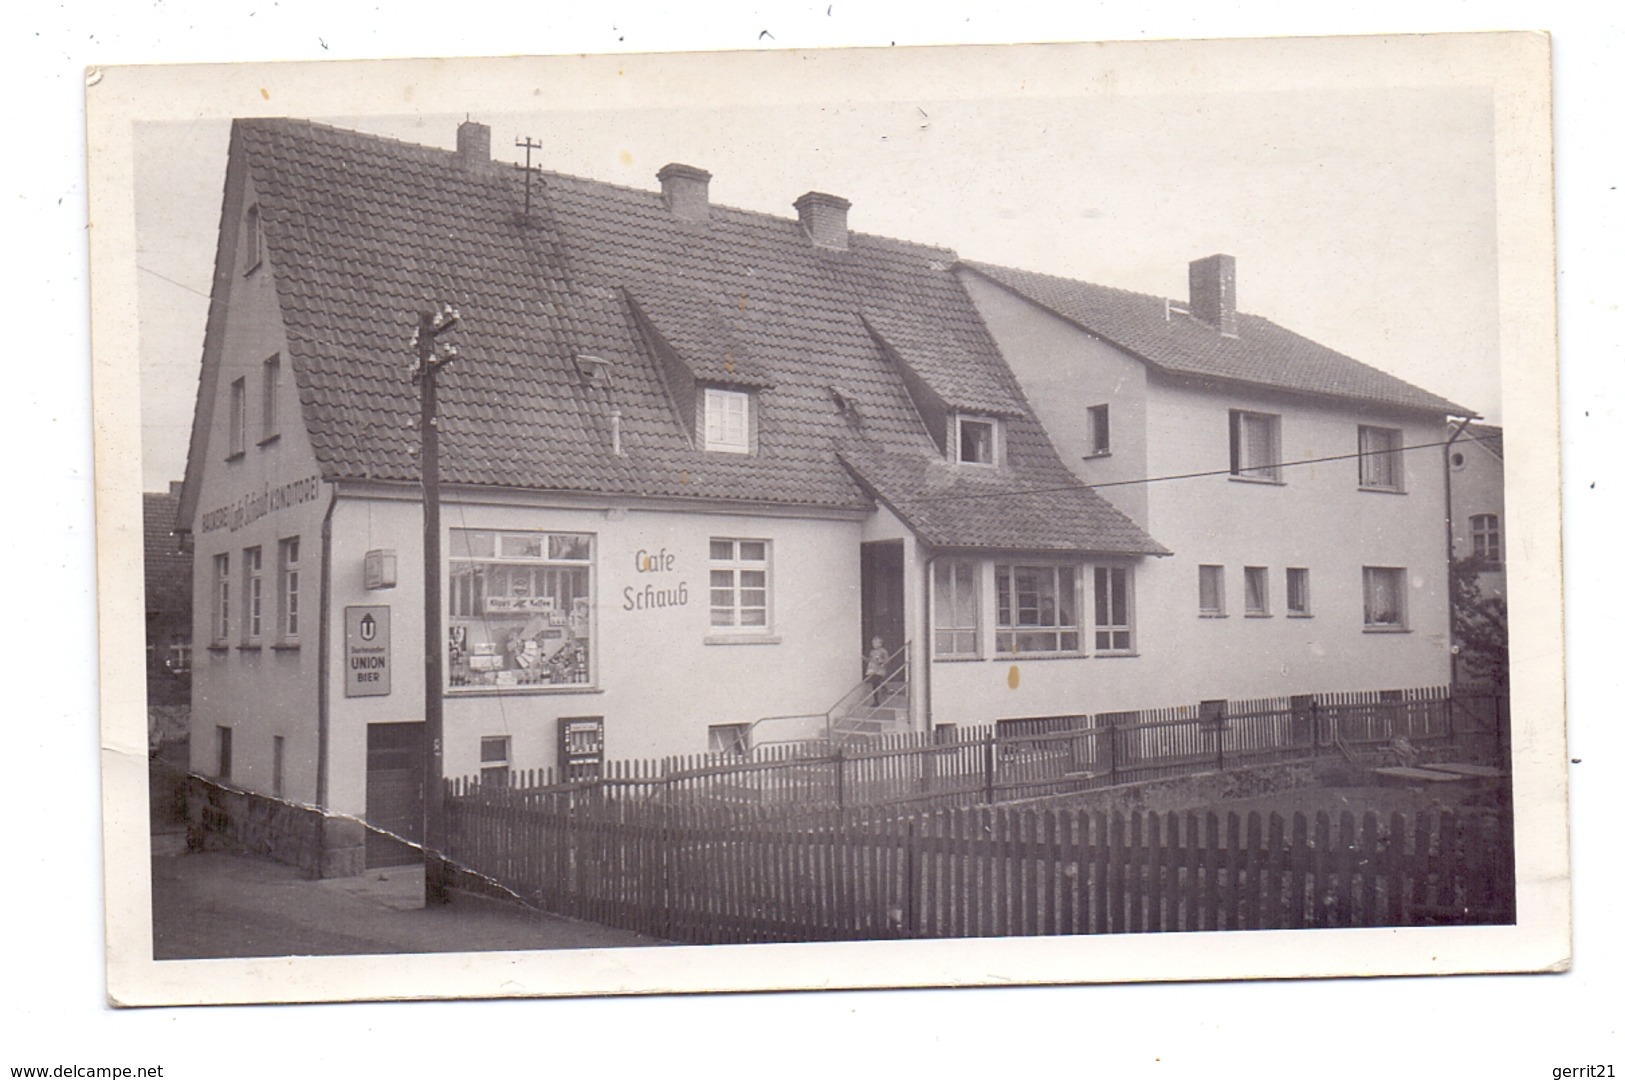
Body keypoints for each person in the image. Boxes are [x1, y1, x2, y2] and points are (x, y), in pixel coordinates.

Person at [865, 636, 889, 706]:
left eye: (877, 643)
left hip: (879, 670)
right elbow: (871, 660)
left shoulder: (883, 651)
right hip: (872, 670)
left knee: (876, 681)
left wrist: (881, 661)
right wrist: (865, 659)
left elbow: (887, 660)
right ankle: (876, 700)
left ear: (881, 644)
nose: (875, 645)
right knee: (874, 685)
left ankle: (884, 689)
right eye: (874, 643)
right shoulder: (872, 652)